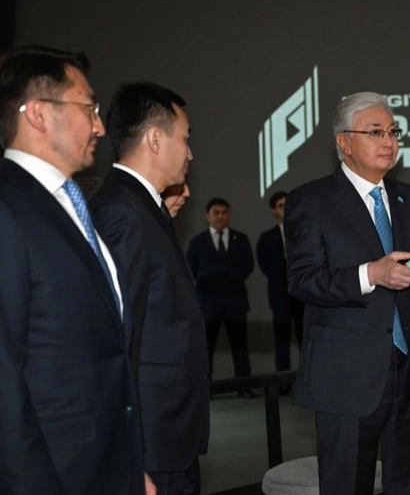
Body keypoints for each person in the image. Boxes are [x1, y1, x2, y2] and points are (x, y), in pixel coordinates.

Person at [0, 45, 150, 495]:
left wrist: (128, 469)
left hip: (105, 469)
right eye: (89, 108)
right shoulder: (8, 208)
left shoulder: (68, 204)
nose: (99, 126)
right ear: (38, 114)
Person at [284, 91, 410, 494]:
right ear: (344, 142)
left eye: (393, 131)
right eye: (376, 132)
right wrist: (370, 273)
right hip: (346, 374)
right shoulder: (311, 200)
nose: (388, 141)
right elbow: (302, 279)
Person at [90, 81, 208, 495]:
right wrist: (126, 453)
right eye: (186, 139)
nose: (190, 153)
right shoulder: (124, 213)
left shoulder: (143, 208)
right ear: (156, 139)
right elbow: (113, 337)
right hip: (150, 438)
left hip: (168, 431)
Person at [187, 197, 255, 397]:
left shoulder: (240, 238)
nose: (220, 216)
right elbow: (191, 268)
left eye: (224, 212)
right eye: (216, 213)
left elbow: (248, 266)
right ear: (207, 216)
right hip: (208, 303)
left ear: (229, 215)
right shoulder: (198, 241)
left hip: (235, 302)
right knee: (206, 348)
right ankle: (206, 389)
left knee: (240, 347)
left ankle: (244, 386)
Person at [256, 191, 304, 375]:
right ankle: (282, 382)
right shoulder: (266, 237)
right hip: (279, 294)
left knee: (305, 337)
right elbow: (264, 265)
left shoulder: (304, 233)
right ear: (273, 210)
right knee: (281, 339)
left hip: (303, 294)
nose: (286, 209)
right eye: (281, 205)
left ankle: (307, 379)